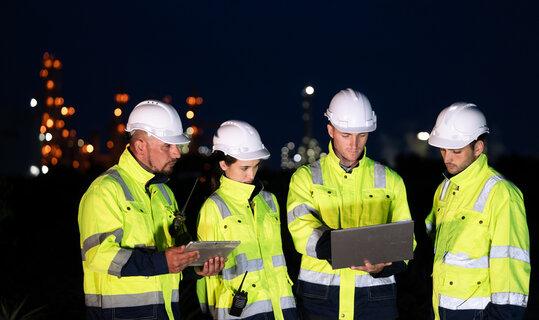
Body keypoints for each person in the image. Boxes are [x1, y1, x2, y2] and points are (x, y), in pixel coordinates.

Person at [78, 100, 226, 319]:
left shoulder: (165, 194)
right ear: (140, 146)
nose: (177, 153)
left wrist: (195, 268)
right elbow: (98, 255)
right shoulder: (105, 191)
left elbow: (173, 258)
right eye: (167, 145)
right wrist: (161, 262)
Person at [287, 88, 414, 320]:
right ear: (330, 130)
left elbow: (406, 240)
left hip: (375, 297)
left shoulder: (391, 180)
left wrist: (383, 267)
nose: (354, 144)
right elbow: (300, 230)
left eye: (362, 135)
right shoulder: (306, 178)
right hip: (320, 298)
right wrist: (346, 249)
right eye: (346, 135)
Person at [425, 102, 530, 320]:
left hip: (480, 313)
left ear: (478, 148)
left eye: (456, 151)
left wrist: (503, 316)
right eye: (443, 150)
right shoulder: (444, 188)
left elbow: (510, 262)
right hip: (441, 308)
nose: (447, 158)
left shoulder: (502, 193)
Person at [196, 120, 297, 319]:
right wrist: (209, 313)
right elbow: (207, 276)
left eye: (256, 166)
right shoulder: (213, 207)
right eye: (244, 168)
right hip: (241, 312)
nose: (251, 175)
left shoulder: (270, 200)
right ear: (223, 164)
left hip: (283, 306)